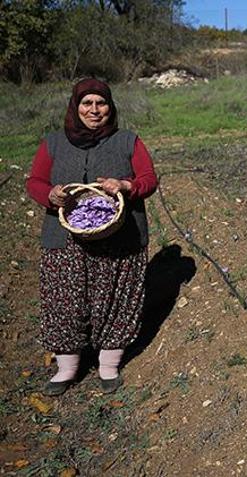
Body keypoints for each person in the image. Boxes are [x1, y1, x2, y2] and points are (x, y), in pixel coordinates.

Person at [26, 78, 159, 395]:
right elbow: (35, 181)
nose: (94, 110)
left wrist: (127, 186)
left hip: (120, 237)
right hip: (64, 237)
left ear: (110, 107)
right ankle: (67, 367)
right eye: (87, 103)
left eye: (101, 103)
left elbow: (149, 179)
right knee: (64, 300)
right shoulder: (54, 143)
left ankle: (108, 364)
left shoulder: (128, 141)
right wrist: (51, 194)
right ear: (75, 107)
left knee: (115, 298)